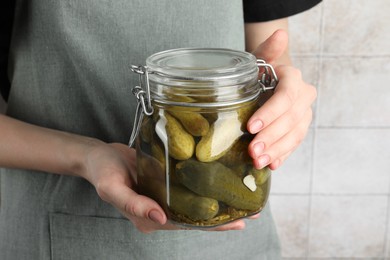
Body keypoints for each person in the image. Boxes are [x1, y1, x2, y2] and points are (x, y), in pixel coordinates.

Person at [0, 0, 320, 259]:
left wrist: (284, 103)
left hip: (233, 239)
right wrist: (87, 155)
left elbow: (271, 58)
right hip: (62, 229)